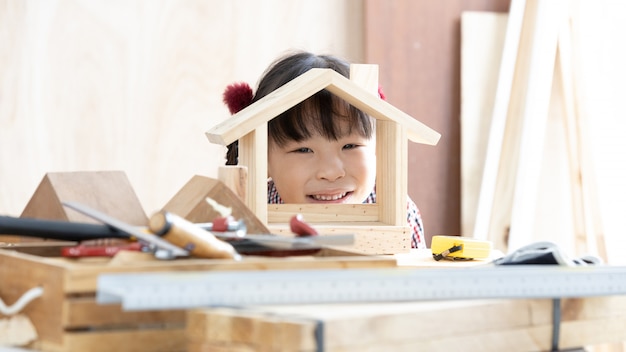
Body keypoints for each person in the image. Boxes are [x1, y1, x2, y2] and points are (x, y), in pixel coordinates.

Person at [222, 51, 426, 249]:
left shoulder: (398, 212)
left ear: (378, 148)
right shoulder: (244, 215)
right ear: (263, 158)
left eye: (350, 146)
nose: (331, 172)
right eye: (303, 150)